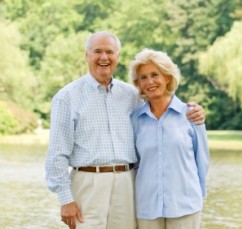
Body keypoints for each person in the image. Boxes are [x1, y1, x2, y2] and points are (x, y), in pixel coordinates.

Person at [45, 31, 206, 229]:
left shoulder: (131, 96)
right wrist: (65, 199)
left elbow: (161, 106)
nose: (104, 57)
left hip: (127, 183)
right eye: (97, 51)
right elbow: (56, 153)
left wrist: (193, 110)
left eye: (109, 52)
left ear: (117, 57)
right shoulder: (67, 97)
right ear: (87, 55)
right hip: (88, 183)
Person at [129, 49, 210, 229]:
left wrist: (197, 195)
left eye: (154, 75)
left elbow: (202, 160)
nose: (149, 81)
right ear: (138, 83)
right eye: (143, 77)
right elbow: (134, 163)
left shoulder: (191, 115)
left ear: (167, 77)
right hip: (147, 206)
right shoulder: (135, 119)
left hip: (185, 205)